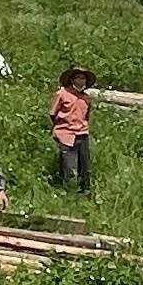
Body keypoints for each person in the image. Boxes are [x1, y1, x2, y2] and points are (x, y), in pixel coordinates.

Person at [49, 66, 96, 195]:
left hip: (82, 135)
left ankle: (84, 193)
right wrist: (61, 127)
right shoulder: (62, 94)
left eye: (83, 78)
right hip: (65, 134)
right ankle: (68, 193)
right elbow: (53, 113)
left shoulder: (86, 98)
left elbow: (86, 117)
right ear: (71, 79)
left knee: (84, 168)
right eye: (78, 78)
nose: (80, 81)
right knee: (70, 168)